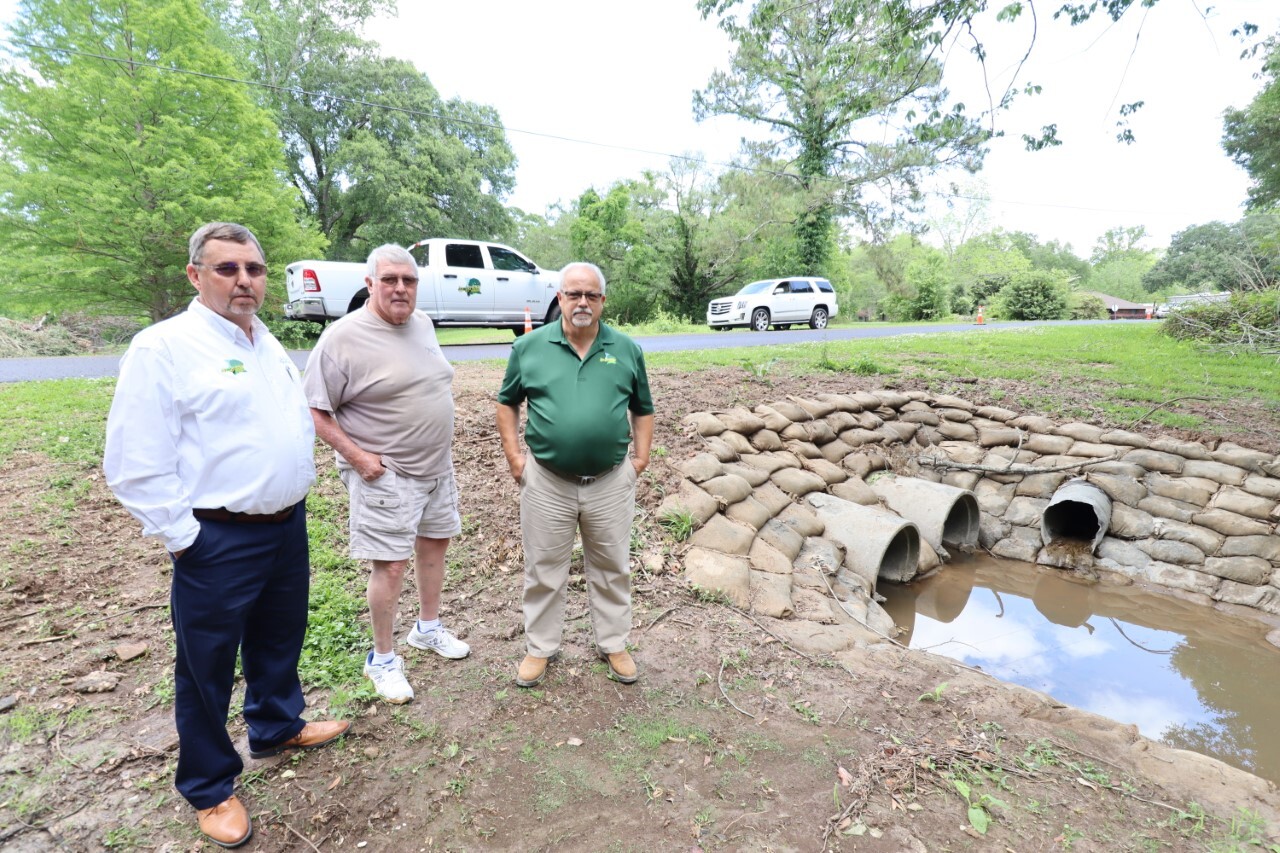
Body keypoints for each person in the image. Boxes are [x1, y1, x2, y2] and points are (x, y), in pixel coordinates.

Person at [104, 222, 350, 849]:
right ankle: (210, 785)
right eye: (227, 268)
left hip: (284, 527)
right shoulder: (165, 348)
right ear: (195, 275)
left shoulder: (265, 342)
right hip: (217, 536)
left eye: (255, 269)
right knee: (206, 665)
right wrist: (185, 538)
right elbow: (134, 460)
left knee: (279, 635)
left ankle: (274, 726)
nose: (245, 280)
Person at [304, 244, 469, 706]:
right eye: (390, 279)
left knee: (434, 545)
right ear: (370, 284)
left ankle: (428, 629)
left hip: (436, 467)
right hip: (387, 473)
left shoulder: (422, 324)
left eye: (409, 280)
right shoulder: (342, 338)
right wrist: (360, 459)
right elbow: (315, 411)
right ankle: (382, 659)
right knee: (391, 564)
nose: (400, 288)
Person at [496, 262, 654, 688]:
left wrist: (639, 460)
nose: (582, 302)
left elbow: (642, 409)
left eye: (591, 295)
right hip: (547, 481)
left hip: (609, 481)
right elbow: (507, 402)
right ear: (560, 298)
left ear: (603, 301)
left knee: (612, 565)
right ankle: (540, 648)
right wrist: (515, 458)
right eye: (573, 294)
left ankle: (614, 643)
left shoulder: (626, 349)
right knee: (544, 568)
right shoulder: (529, 348)